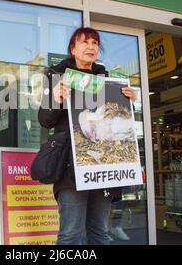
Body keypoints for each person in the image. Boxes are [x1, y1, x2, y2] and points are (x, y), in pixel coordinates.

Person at [38, 27, 136, 245]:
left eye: (94, 43)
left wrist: (128, 102)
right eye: (84, 42)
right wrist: (56, 99)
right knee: (70, 234)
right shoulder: (57, 77)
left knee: (100, 232)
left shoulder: (108, 80)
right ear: (73, 49)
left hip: (103, 169)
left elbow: (119, 122)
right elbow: (45, 120)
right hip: (71, 167)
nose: (90, 47)